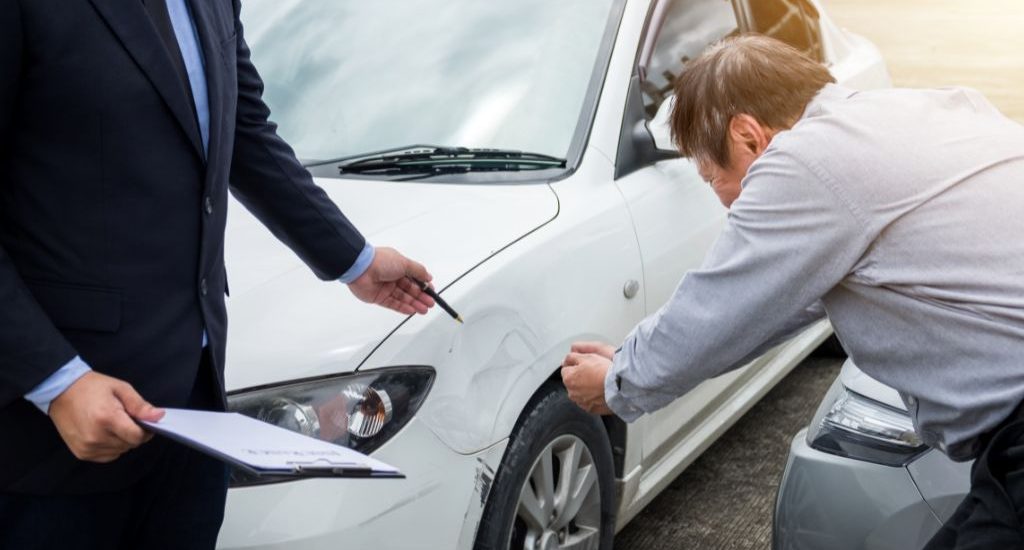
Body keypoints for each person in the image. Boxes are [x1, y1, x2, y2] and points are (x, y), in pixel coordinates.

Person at [0, 0, 435, 548]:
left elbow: (246, 132)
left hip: (194, 416)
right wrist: (55, 381)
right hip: (51, 442)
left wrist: (358, 261)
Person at [560, 35, 1024, 548]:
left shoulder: (804, 161)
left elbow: (720, 308)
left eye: (714, 179)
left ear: (749, 138)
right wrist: (632, 363)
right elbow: (773, 304)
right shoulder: (927, 109)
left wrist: (617, 383)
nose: (727, 206)